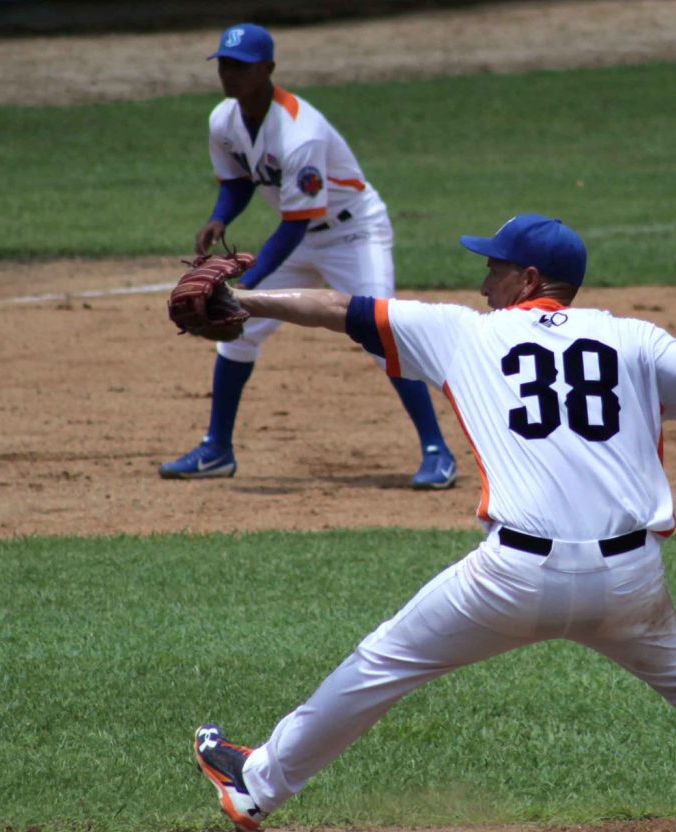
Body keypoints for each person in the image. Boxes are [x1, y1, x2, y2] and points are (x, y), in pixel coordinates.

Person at [193, 213, 676, 832]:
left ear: (526, 281)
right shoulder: (636, 339)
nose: (480, 281)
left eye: (493, 267)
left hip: (512, 580)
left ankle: (257, 786)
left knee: (382, 664)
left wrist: (245, 302)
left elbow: (341, 309)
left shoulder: (463, 333)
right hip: (630, 583)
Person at [159, 23, 456, 489]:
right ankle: (216, 449)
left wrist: (249, 282)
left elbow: (296, 223)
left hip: (354, 235)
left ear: (268, 69)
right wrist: (221, 218)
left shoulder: (300, 132)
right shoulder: (223, 120)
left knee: (383, 333)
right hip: (298, 234)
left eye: (240, 66)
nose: (230, 74)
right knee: (238, 332)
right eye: (224, 65)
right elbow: (239, 182)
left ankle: (438, 452)